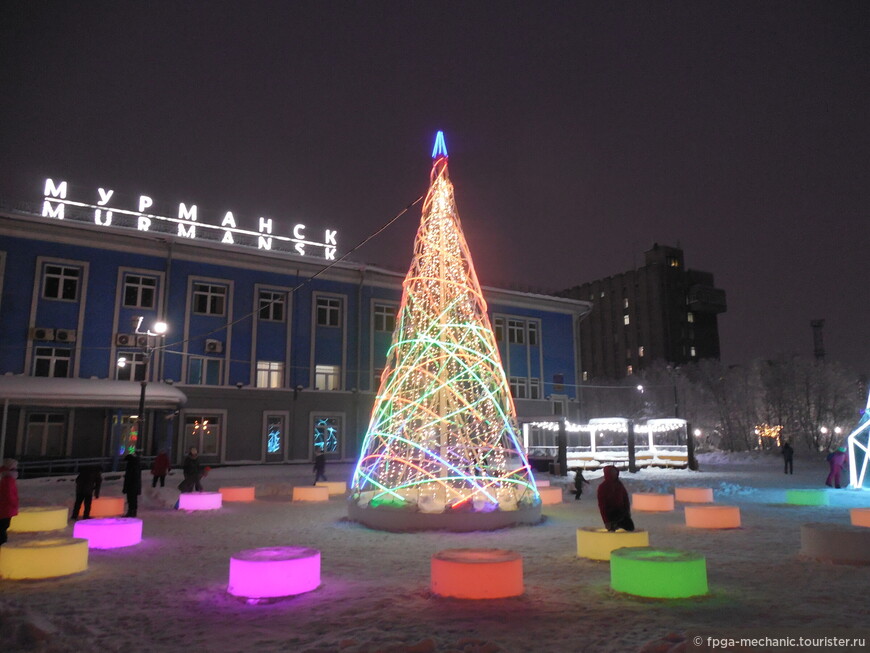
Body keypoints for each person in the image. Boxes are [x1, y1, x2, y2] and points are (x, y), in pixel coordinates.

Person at [597, 465, 634, 532]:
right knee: (613, 533)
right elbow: (602, 505)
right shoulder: (603, 487)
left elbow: (625, 499)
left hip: (622, 512)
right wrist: (606, 521)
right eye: (612, 472)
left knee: (630, 529)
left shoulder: (619, 485)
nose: (615, 474)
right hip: (611, 514)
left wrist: (627, 512)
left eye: (615, 472)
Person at [0, 458, 19, 546]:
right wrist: (14, 505)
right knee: (3, 528)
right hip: (6, 509)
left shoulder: (5, 479)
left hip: (4, 509)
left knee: (2, 527)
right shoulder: (9, 480)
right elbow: (9, 496)